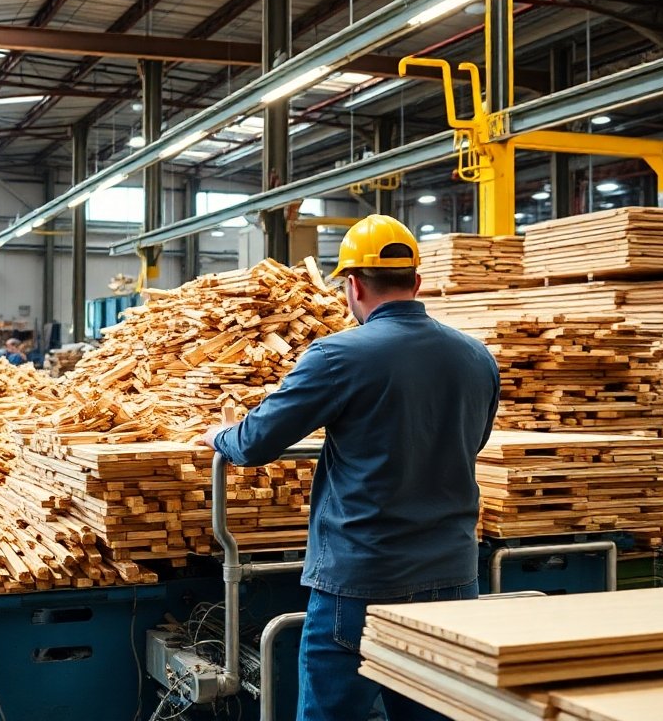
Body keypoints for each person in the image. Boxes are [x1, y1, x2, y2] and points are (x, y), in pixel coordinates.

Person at [195, 215, 500, 721]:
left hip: (362, 579)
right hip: (452, 578)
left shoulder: (338, 356)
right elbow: (474, 441)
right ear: (417, 282)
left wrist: (216, 436)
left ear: (353, 285)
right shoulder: (476, 357)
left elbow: (255, 442)